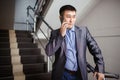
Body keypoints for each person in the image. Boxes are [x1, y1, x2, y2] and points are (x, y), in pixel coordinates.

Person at [45, 5, 105, 80]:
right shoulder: (55, 33)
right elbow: (49, 52)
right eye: (68, 16)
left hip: (79, 75)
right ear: (61, 18)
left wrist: (100, 69)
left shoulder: (83, 31)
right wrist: (61, 36)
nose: (71, 20)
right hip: (62, 74)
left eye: (74, 17)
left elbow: (96, 50)